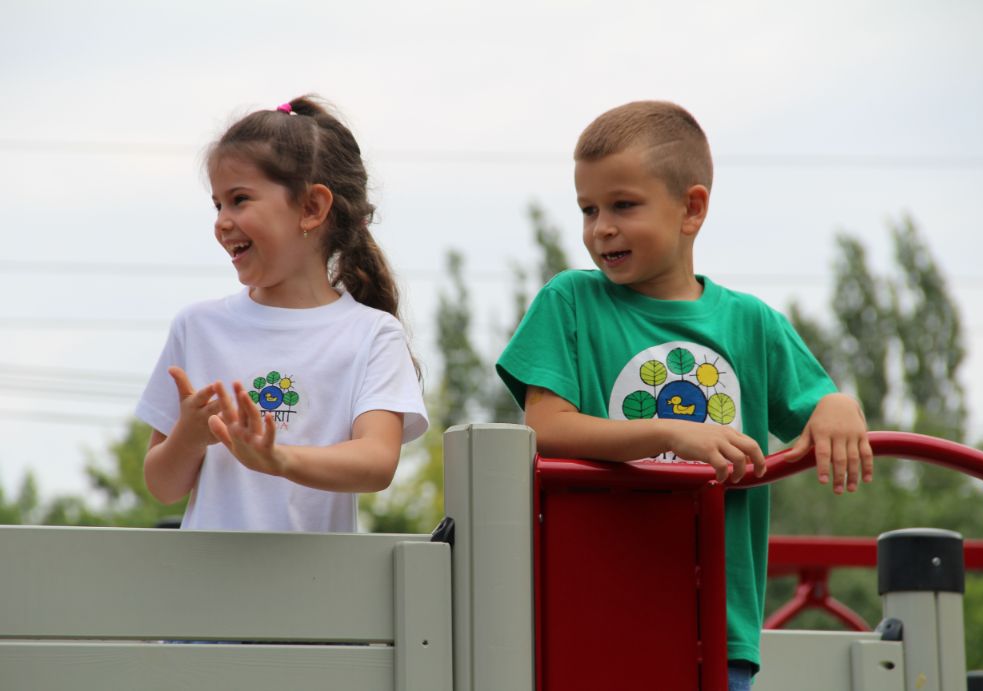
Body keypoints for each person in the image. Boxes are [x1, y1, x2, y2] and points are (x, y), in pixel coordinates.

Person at [496, 101, 872, 687]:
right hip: (591, 612)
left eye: (623, 205)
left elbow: (818, 405)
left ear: (691, 208)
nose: (601, 228)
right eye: (589, 209)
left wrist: (839, 406)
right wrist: (671, 432)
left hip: (715, 624)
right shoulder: (570, 301)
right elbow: (546, 426)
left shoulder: (751, 324)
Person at [136, 95, 427, 533]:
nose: (222, 222)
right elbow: (162, 485)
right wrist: (188, 438)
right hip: (203, 579)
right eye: (218, 204)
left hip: (318, 579)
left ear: (311, 208)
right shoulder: (196, 328)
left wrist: (278, 459)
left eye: (239, 199)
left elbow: (377, 462)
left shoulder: (371, 334)